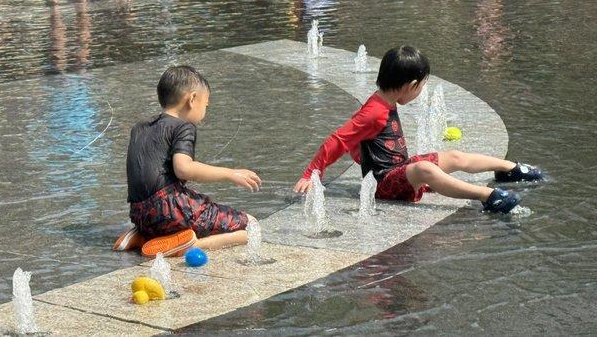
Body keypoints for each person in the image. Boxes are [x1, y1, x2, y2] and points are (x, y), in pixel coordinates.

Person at [293, 46, 542, 214]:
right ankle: (488, 196)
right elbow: (339, 139)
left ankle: (509, 168)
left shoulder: (381, 101)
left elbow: (356, 139)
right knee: (425, 168)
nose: (421, 91)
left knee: (453, 156)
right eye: (422, 86)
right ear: (411, 85)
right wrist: (310, 173)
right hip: (384, 184)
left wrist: (359, 153)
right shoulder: (374, 111)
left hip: (398, 171)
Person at [114, 66, 262, 257]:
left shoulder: (139, 128)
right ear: (192, 99)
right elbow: (183, 168)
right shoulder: (183, 127)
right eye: (206, 105)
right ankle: (191, 244)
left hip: (140, 215)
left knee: (191, 199)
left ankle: (143, 236)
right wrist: (230, 173)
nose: (205, 111)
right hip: (170, 211)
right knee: (252, 227)